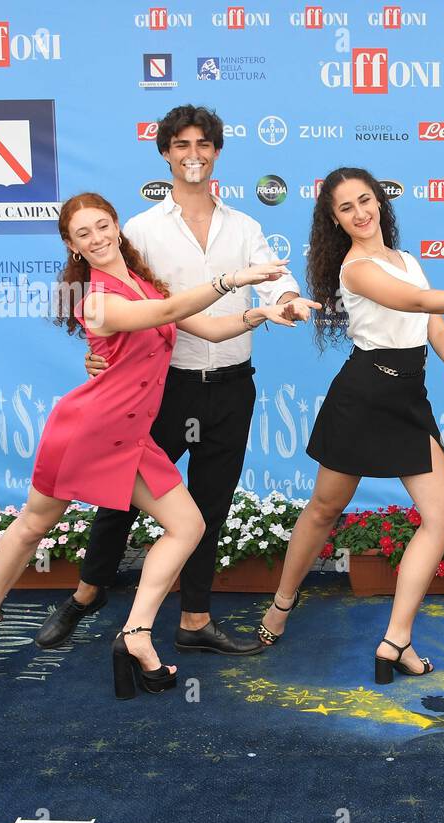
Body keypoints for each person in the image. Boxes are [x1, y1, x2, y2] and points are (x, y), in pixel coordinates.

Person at [0, 192, 296, 700]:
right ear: (72, 246)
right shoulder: (97, 299)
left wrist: (262, 314)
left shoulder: (142, 283)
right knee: (33, 526)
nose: (98, 237)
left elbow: (211, 329)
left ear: (117, 228)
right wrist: (235, 278)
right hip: (87, 430)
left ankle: (135, 633)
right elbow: (174, 308)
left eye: (103, 225)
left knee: (189, 525)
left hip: (131, 435)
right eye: (83, 233)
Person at [35, 105, 313, 658]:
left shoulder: (245, 226)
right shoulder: (137, 228)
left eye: (203, 144)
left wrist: (285, 302)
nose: (193, 154)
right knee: (119, 500)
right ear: (165, 153)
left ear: (216, 152)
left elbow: (274, 282)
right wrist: (100, 362)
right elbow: (110, 308)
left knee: (210, 505)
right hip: (162, 390)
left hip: (233, 383)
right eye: (181, 144)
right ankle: (87, 593)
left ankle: (194, 619)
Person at [254, 166, 444, 684]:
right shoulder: (355, 269)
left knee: (443, 514)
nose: (360, 213)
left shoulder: (405, 259)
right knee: (324, 509)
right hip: (363, 394)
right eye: (345, 208)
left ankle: (396, 639)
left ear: (380, 202)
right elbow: (418, 302)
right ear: (334, 221)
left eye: (365, 201)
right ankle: (282, 604)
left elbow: (432, 322)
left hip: (407, 395)